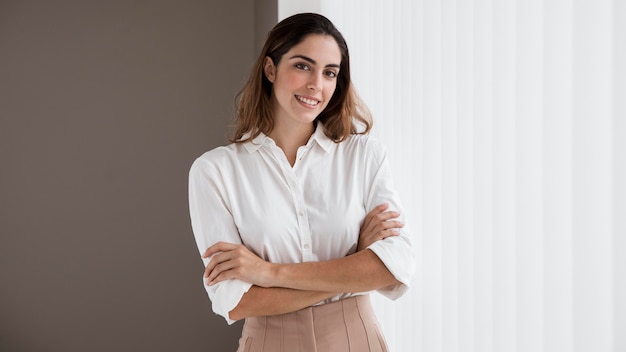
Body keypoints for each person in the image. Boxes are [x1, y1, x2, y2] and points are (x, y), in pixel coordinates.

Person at [189, 13, 415, 352]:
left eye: (329, 73)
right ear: (270, 69)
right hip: (269, 341)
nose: (316, 85)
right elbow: (236, 301)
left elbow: (395, 268)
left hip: (356, 337)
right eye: (303, 66)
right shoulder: (215, 171)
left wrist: (267, 273)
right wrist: (355, 261)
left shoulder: (364, 155)